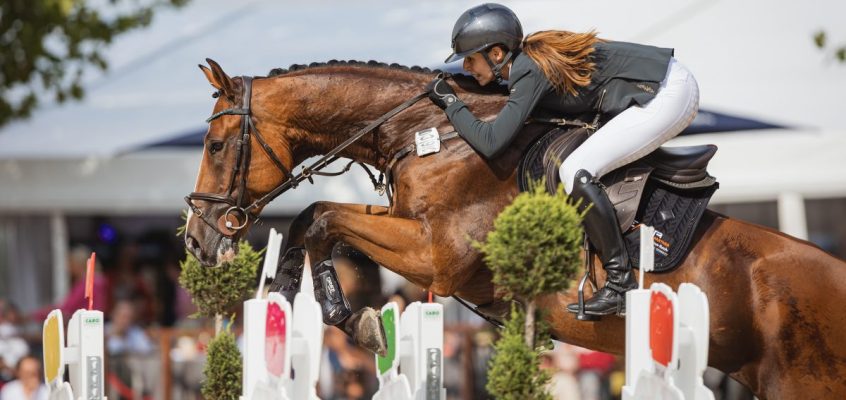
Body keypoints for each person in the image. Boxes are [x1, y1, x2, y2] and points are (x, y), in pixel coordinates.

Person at [427, 3, 699, 316]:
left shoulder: (529, 69)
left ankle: (620, 283)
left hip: (667, 94)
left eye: (471, 59)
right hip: (665, 84)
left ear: (497, 54)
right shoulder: (527, 63)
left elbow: (491, 143)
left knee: (576, 170)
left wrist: (450, 102)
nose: (466, 67)